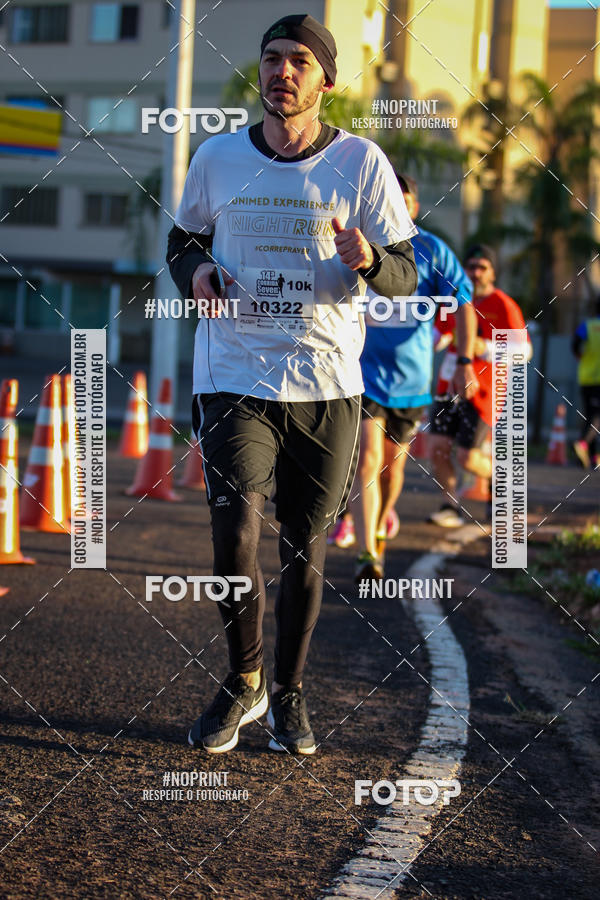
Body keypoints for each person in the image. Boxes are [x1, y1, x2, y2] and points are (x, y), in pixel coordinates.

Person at [166, 14, 418, 755]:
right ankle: (242, 680)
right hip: (235, 372)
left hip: (327, 384)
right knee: (232, 531)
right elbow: (184, 239)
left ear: (325, 80)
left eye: (299, 61)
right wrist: (199, 273)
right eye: (272, 59)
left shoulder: (363, 163)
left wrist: (368, 256)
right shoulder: (216, 157)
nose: (281, 72)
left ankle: (289, 693)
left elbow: (403, 278)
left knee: (305, 549)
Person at [329, 174, 477, 580]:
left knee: (392, 470)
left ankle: (379, 523)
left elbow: (464, 303)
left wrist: (465, 360)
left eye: (405, 199)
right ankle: (366, 555)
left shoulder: (431, 250)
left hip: (411, 382)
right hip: (361, 372)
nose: (398, 205)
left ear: (413, 206)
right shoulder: (357, 244)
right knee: (368, 461)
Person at [428, 244, 530, 527]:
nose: (475, 272)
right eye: (470, 266)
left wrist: (482, 346)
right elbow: (438, 335)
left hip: (484, 391)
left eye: (482, 267)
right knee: (436, 448)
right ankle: (450, 507)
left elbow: (524, 352)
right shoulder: (456, 300)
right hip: (448, 387)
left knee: (468, 458)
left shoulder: (503, 304)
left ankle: (500, 479)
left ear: (493, 272)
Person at [572, 296, 600, 468]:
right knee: (597, 417)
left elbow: (574, 345)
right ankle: (582, 443)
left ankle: (591, 457)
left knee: (590, 415)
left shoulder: (587, 326)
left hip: (586, 377)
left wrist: (581, 357)